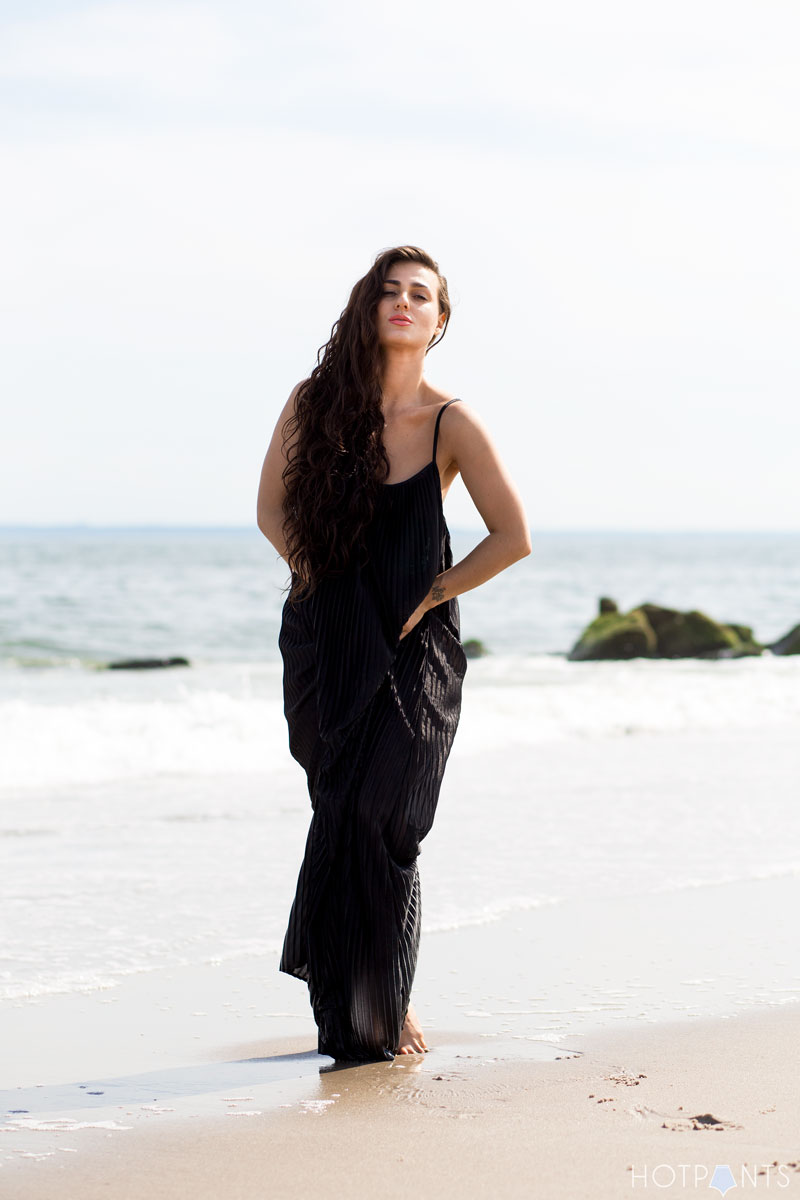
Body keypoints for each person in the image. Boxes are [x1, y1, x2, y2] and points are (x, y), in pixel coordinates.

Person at [256, 245, 531, 1062]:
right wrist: (318, 579)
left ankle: (387, 1002)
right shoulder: (316, 402)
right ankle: (351, 1010)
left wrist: (436, 592)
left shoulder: (451, 421)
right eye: (391, 291)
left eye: (422, 295)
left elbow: (512, 538)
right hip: (325, 645)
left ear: (440, 322)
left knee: (388, 821)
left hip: (416, 655)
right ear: (370, 307)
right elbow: (271, 508)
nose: (404, 303)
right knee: (340, 817)